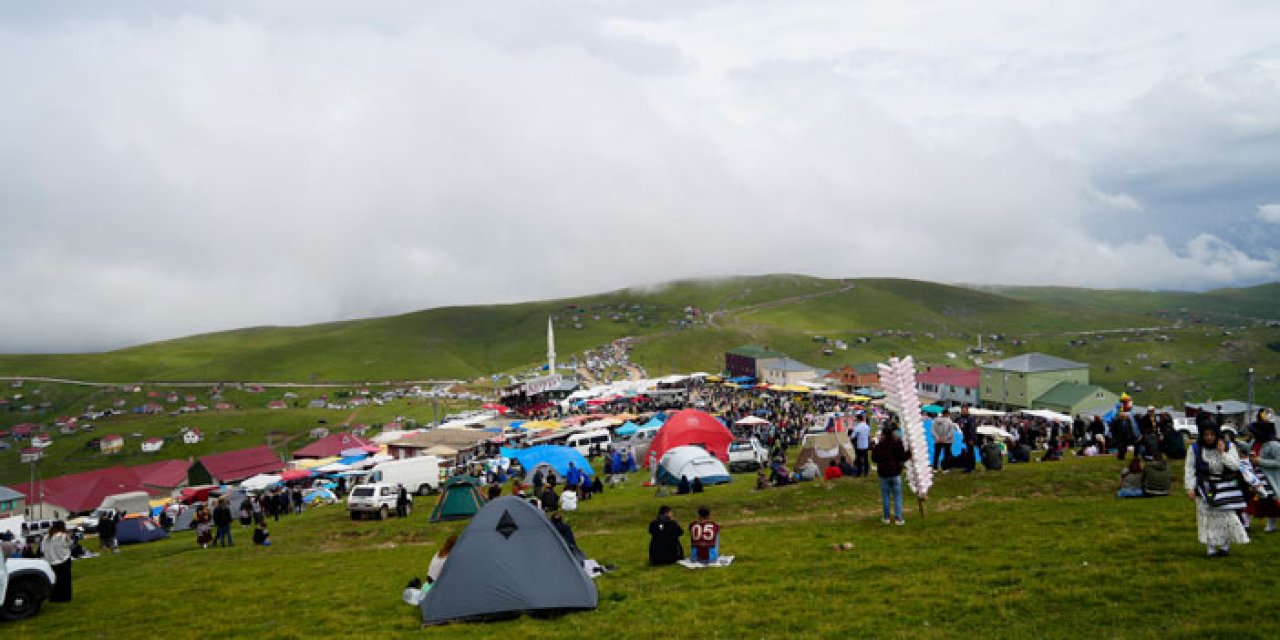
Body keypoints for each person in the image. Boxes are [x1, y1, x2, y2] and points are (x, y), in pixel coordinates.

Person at [1184, 421, 1250, 557]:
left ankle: (1225, 546)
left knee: (1227, 517)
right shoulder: (1195, 449)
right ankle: (1211, 548)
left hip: (1224, 487)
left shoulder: (1228, 446)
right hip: (1205, 487)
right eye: (1206, 434)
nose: (1209, 437)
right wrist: (1190, 487)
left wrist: (1222, 453)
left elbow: (1235, 466)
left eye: (1212, 434)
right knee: (1207, 517)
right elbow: (1190, 468)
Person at [1247, 411, 1280, 534]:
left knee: (1272, 502)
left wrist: (1260, 461)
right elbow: (1248, 447)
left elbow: (1278, 462)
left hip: (1270, 479)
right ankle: (1246, 524)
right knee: (1251, 499)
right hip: (1255, 477)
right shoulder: (1255, 442)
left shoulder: (1275, 445)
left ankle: (1271, 525)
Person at [872, 426, 910, 525]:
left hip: (883, 473)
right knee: (897, 496)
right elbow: (902, 457)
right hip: (895, 472)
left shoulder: (879, 445)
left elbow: (874, 458)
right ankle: (898, 518)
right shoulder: (897, 444)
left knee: (886, 496)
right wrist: (909, 453)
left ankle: (886, 517)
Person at [43, 521, 73, 602]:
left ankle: (54, 597)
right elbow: (70, 544)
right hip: (63, 560)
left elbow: (43, 549)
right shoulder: (63, 536)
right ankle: (65, 597)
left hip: (51, 561)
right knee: (65, 580)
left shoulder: (46, 537)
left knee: (55, 580)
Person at [851, 413, 872, 477]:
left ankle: (859, 473)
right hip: (865, 446)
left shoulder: (857, 427)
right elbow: (869, 435)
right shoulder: (867, 426)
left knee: (859, 460)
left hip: (859, 446)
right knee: (866, 460)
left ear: (858, 419)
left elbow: (852, 437)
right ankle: (866, 472)